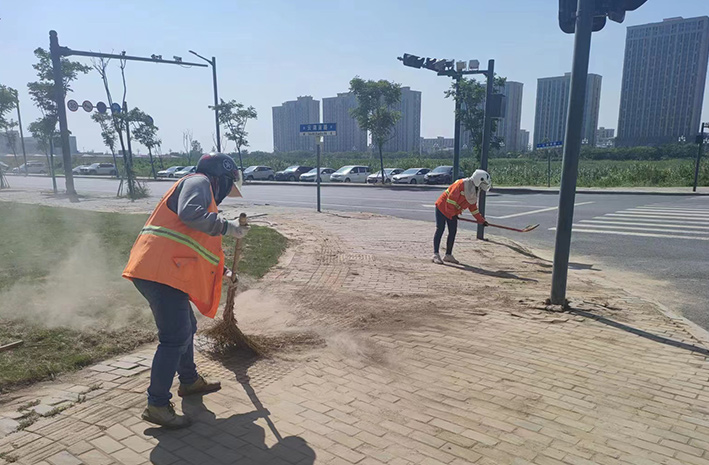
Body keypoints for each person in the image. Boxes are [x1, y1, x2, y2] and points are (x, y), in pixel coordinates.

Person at [123, 153, 249, 429]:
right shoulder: (198, 182)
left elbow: (195, 246)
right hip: (158, 272)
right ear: (220, 178)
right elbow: (190, 215)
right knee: (174, 337)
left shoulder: (205, 195)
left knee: (187, 327)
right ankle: (157, 404)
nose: (226, 192)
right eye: (228, 185)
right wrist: (226, 227)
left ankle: (189, 381)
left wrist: (224, 272)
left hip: (166, 272)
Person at [432, 169, 492, 265]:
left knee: (453, 232)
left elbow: (473, 208)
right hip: (442, 207)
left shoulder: (474, 190)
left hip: (452, 212)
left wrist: (481, 220)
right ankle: (435, 254)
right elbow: (450, 201)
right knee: (440, 229)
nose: (482, 187)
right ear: (478, 180)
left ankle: (448, 255)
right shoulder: (460, 184)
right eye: (482, 184)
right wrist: (452, 215)